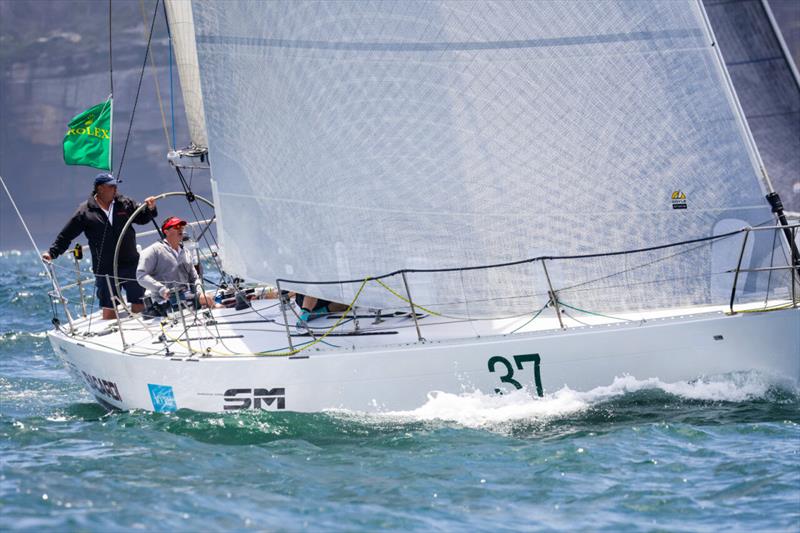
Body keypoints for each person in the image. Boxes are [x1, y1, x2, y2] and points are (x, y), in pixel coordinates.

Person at [43, 173, 157, 319]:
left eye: (116, 185)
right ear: (100, 188)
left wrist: (150, 208)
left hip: (130, 262)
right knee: (109, 308)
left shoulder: (125, 203)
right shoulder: (85, 211)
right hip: (105, 267)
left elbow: (143, 218)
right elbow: (67, 235)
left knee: (139, 302)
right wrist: (52, 253)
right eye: (111, 186)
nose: (115, 189)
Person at [136, 216, 214, 310]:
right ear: (166, 231)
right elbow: (141, 275)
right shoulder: (154, 251)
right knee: (210, 301)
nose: (180, 229)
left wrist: (200, 292)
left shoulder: (186, 252)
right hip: (164, 302)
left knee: (211, 297)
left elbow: (194, 278)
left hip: (187, 298)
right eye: (176, 227)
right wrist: (161, 289)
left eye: (182, 227)